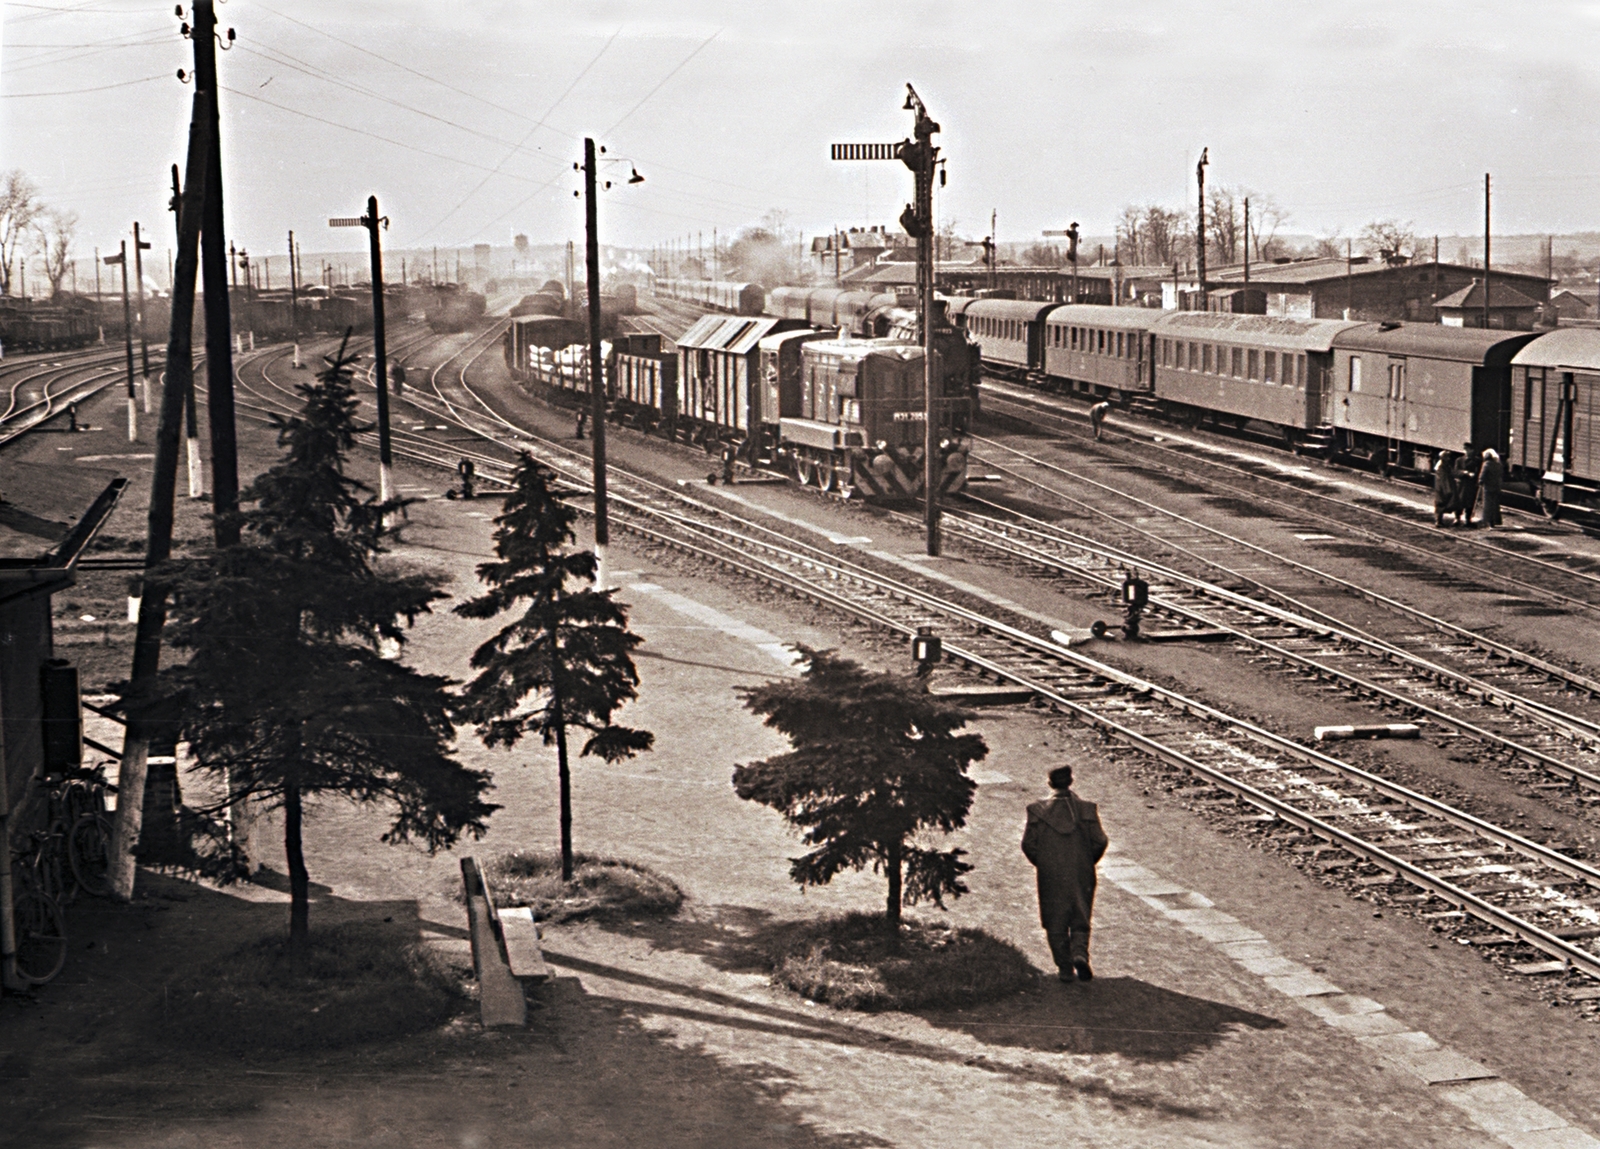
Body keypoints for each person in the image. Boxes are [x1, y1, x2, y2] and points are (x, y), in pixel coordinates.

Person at [1022, 765, 1108, 983]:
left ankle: (1064, 967)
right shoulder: (1087, 810)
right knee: (1080, 914)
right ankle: (1080, 953)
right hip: (1081, 871)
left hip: (1050, 873)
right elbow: (1100, 841)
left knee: (1054, 918)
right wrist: (1087, 861)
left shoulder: (1036, 811)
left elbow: (1028, 845)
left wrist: (1044, 863)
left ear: (1050, 784)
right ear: (1070, 781)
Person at [1453, 444, 1480, 527]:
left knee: (1470, 502)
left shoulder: (1477, 461)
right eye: (1466, 450)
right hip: (1461, 484)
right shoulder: (1459, 460)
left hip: (1471, 484)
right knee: (1459, 502)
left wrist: (1475, 476)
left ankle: (1468, 519)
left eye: (1469, 450)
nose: (1467, 451)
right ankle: (1457, 518)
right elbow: (1455, 472)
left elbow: (1479, 472)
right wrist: (1464, 473)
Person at [1478, 447, 1504, 528]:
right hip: (1496, 486)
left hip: (1488, 487)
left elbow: (1482, 475)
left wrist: (1480, 481)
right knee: (1495, 504)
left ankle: (1488, 521)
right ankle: (1495, 521)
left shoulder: (1486, 464)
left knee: (1487, 505)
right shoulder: (1498, 464)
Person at [1433, 451, 1458, 527]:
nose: (1449, 458)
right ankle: (1438, 521)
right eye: (1447, 457)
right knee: (1440, 503)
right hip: (1443, 488)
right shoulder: (1442, 467)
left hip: (1442, 488)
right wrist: (1448, 489)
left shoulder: (1443, 465)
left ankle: (1439, 521)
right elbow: (1444, 479)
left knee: (1441, 503)